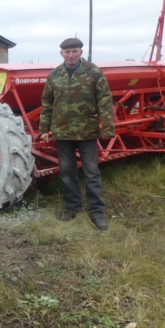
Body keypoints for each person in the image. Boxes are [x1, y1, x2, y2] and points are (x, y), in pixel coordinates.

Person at [39, 38, 114, 231]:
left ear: (81, 52)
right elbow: (47, 103)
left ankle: (96, 212)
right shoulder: (55, 75)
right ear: (61, 54)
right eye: (67, 52)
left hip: (87, 131)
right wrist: (44, 129)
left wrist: (107, 128)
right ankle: (72, 208)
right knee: (67, 172)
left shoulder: (93, 72)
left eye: (74, 51)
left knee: (91, 172)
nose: (70, 55)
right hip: (62, 132)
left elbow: (105, 100)